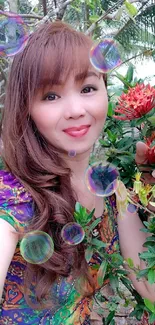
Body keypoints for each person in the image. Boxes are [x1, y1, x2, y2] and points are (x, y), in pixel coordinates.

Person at [0, 21, 155, 325]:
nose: (75, 109)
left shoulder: (111, 188)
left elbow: (148, 286)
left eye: (87, 88)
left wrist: (148, 180)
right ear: (26, 108)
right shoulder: (12, 197)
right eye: (50, 95)